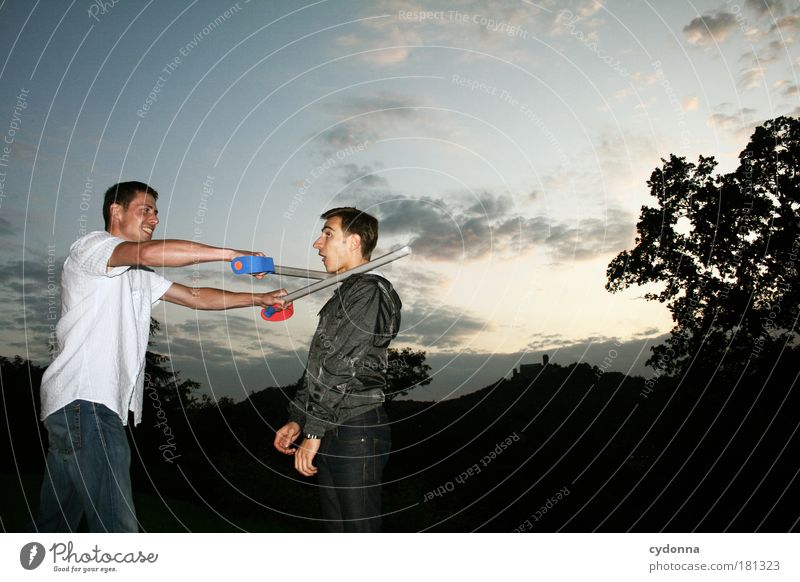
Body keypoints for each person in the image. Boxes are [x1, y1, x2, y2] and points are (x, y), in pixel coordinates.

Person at [33, 181, 286, 533]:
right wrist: (233, 255)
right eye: (145, 209)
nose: (154, 217)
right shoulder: (92, 247)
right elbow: (149, 253)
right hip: (85, 403)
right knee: (117, 530)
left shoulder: (140, 275)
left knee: (54, 525)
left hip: (77, 407)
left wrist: (258, 299)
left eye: (156, 211)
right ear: (116, 211)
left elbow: (196, 296)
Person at [273, 207, 402, 532]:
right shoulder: (346, 294)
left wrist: (313, 431)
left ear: (354, 242)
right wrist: (298, 418)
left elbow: (342, 366)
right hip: (333, 426)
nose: (318, 243)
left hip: (356, 430)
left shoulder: (368, 292)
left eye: (328, 234)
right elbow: (322, 367)